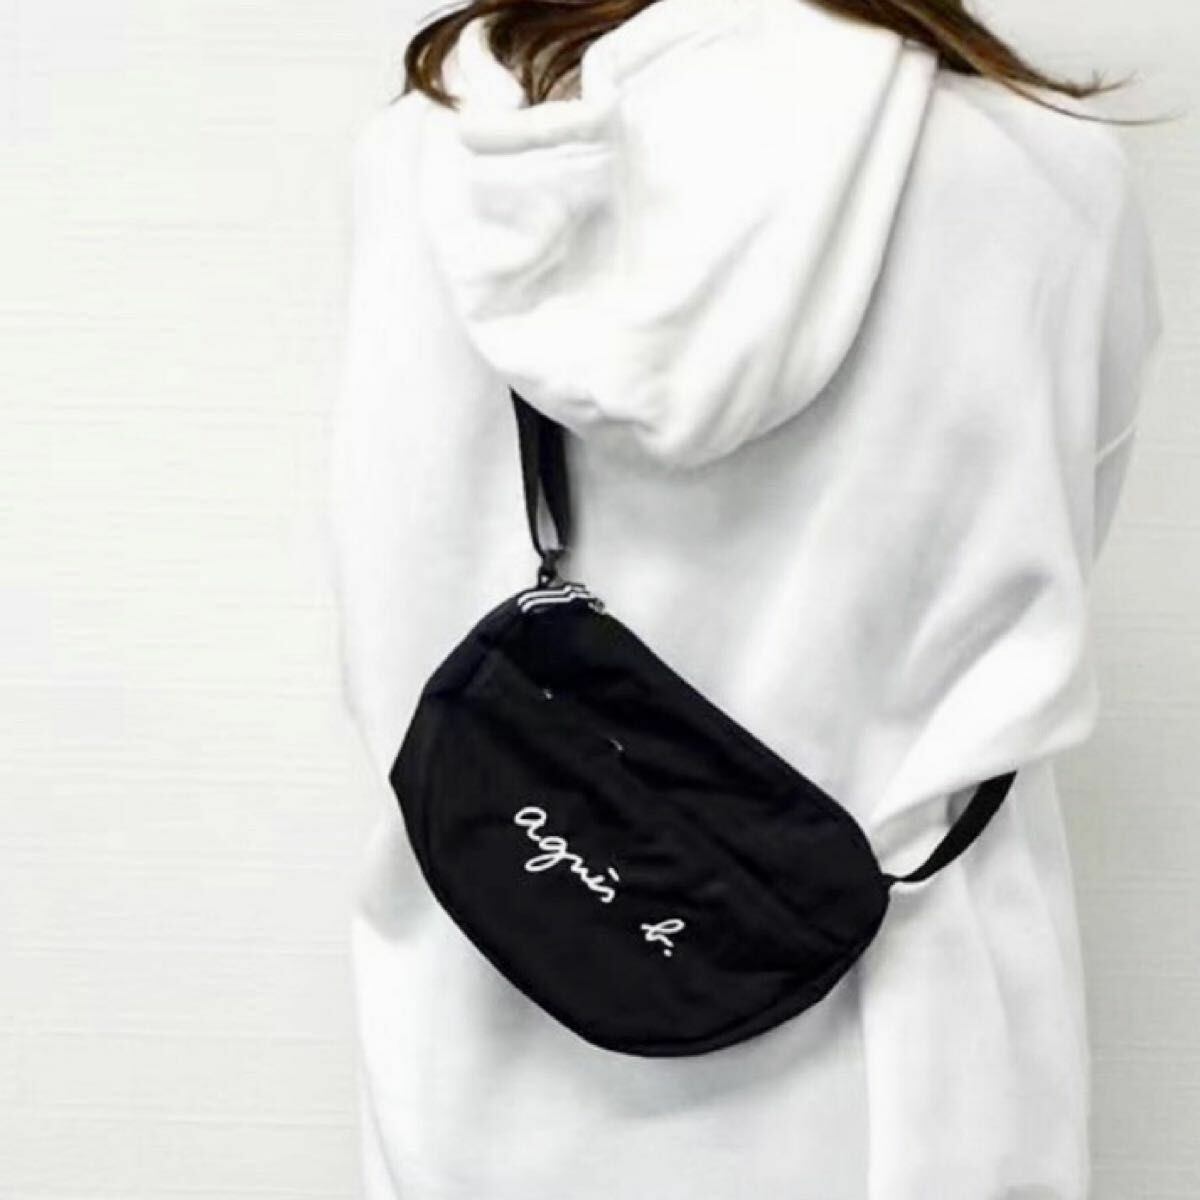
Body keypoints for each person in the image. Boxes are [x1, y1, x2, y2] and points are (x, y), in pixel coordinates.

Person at [327, 0, 1164, 1194]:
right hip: (926, 1051)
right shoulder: (1047, 178)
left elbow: (396, 618)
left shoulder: (441, 162)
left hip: (495, 1017)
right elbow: (1054, 534)